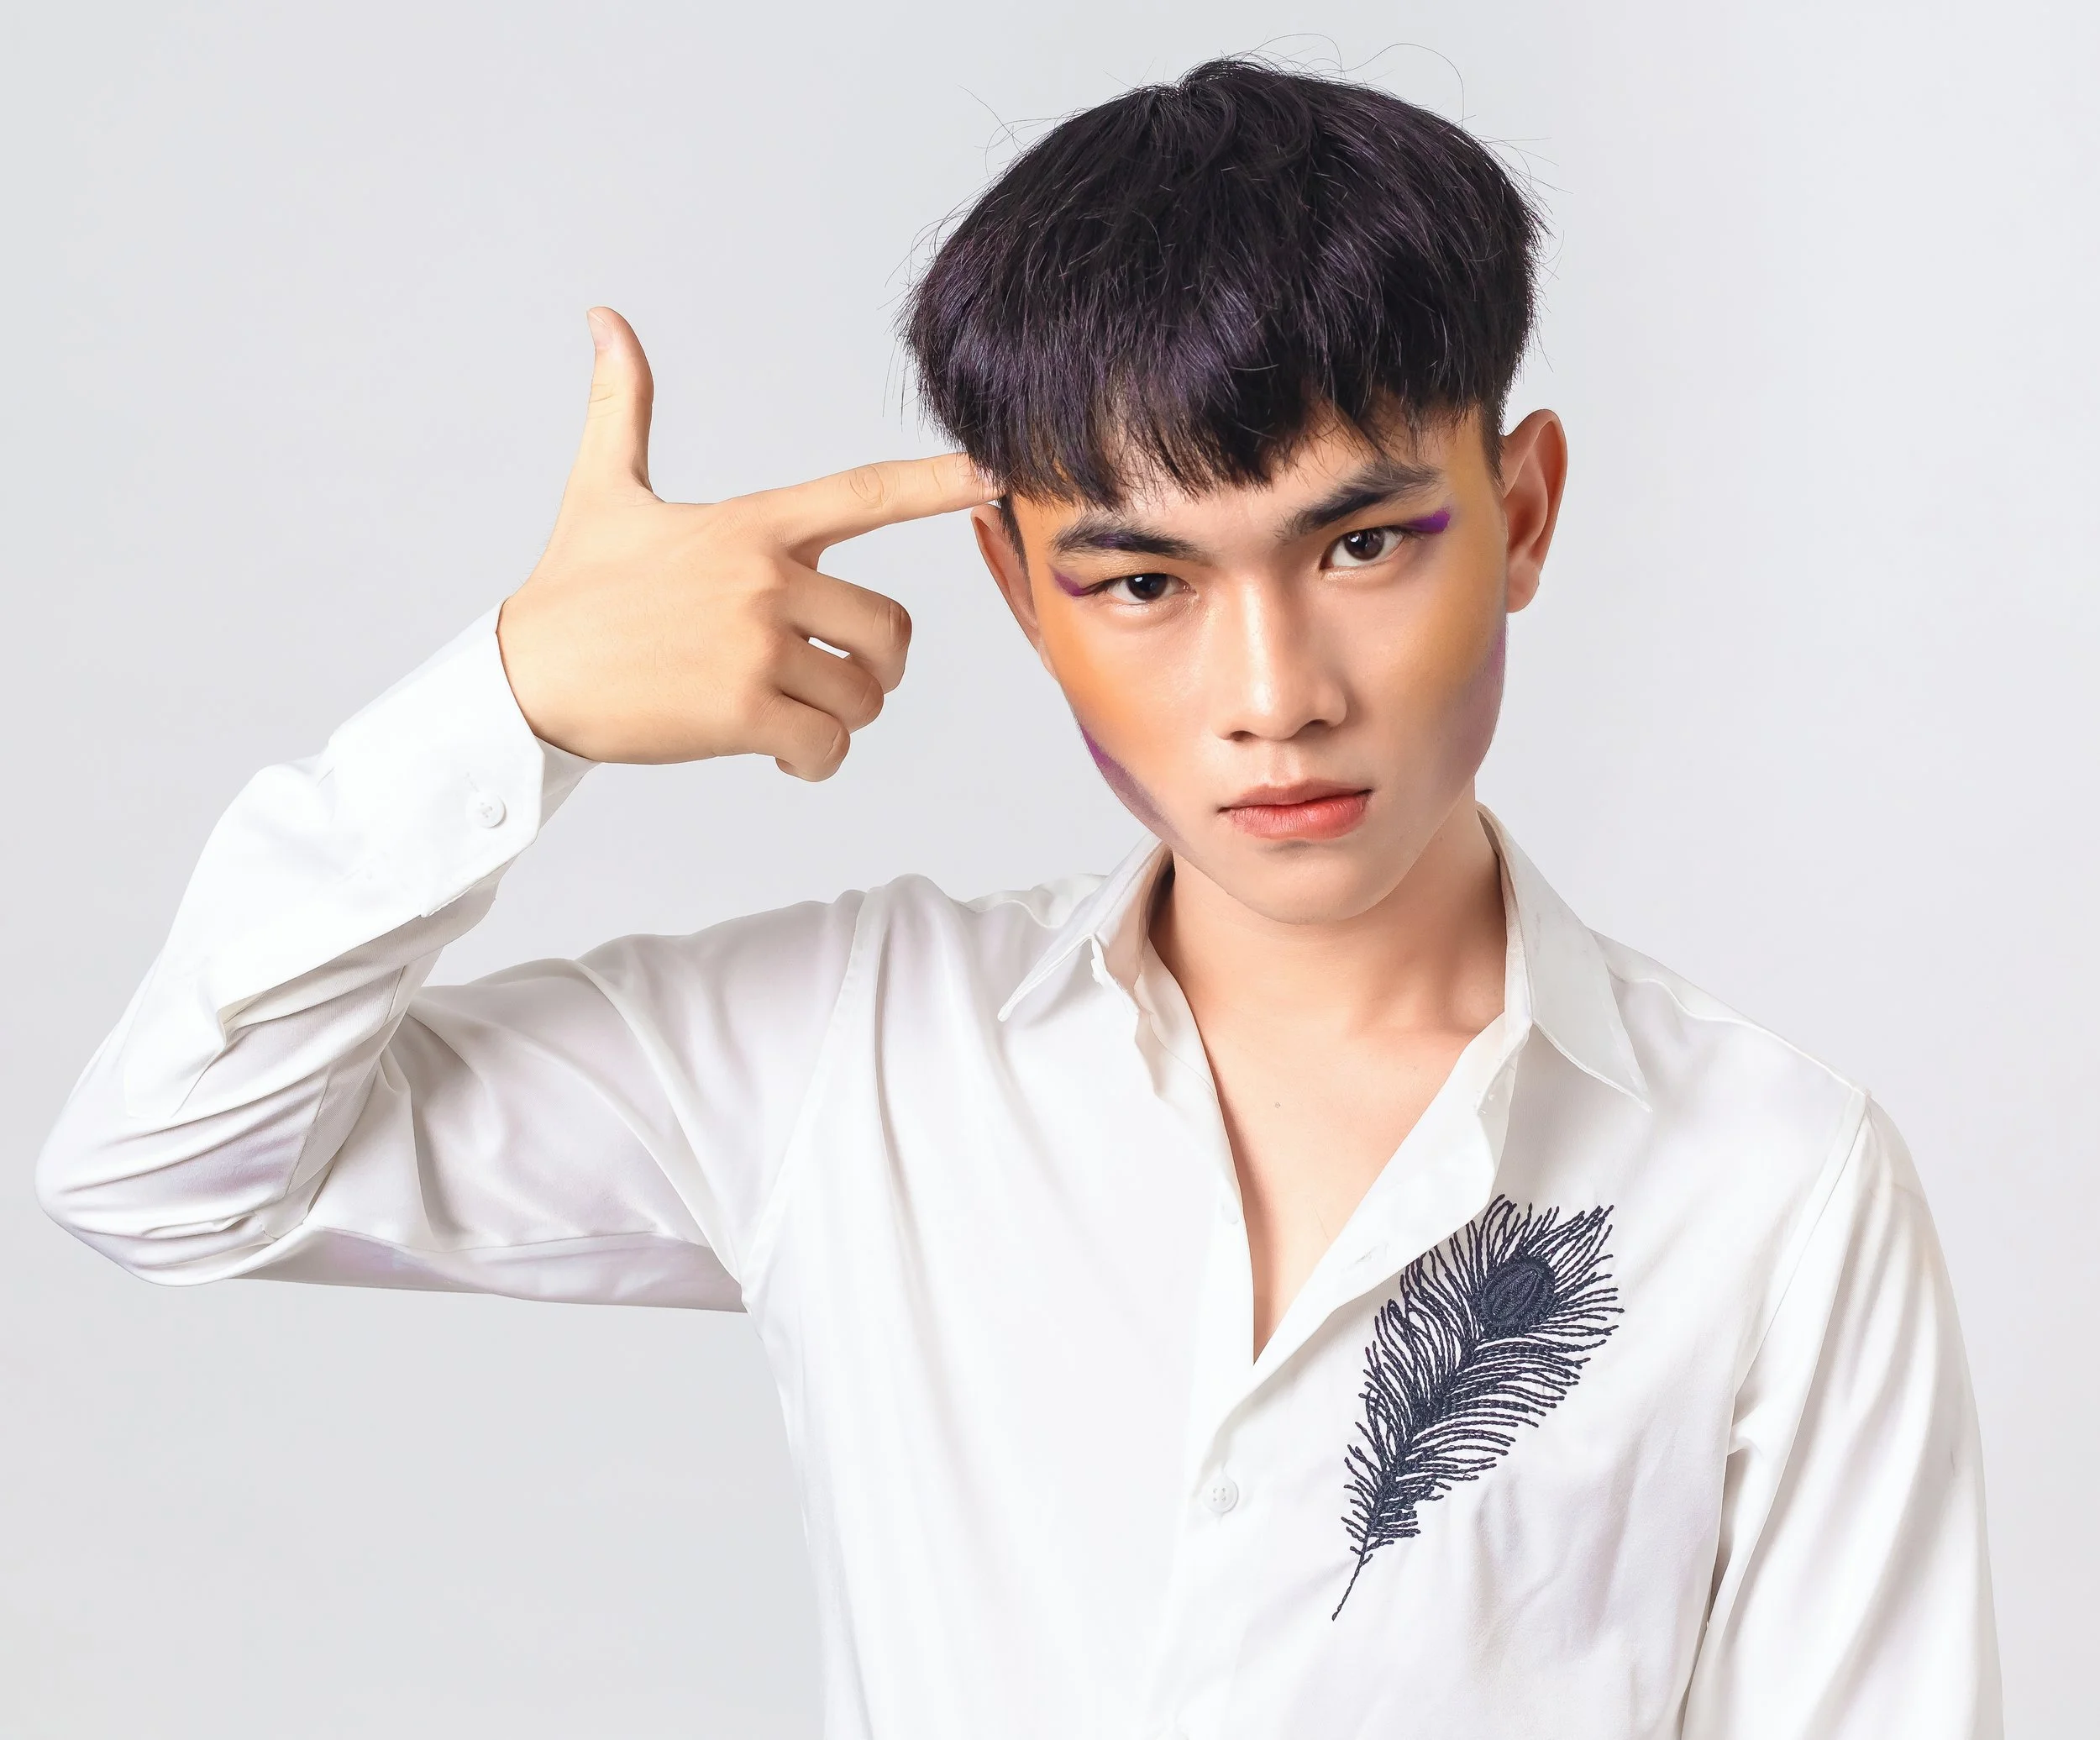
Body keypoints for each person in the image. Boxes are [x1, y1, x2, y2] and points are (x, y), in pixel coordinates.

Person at [37, 57, 1999, 1740]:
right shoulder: (851, 1056)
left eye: (1366, 542)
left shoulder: (1768, 1179)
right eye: (1142, 580)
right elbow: (168, 1175)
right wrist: (510, 707)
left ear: (1524, 517)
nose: (1272, 695)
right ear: (1016, 593)